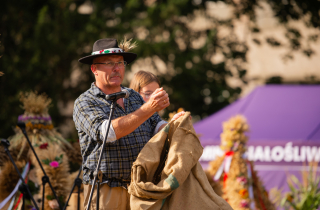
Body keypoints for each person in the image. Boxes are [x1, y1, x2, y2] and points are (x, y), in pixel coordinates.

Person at [73, 38, 185, 210]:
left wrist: (176, 125)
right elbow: (107, 133)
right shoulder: (85, 102)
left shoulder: (133, 96)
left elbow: (156, 125)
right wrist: (149, 108)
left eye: (120, 62)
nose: (117, 68)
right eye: (109, 63)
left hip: (140, 188)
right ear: (94, 68)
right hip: (106, 189)